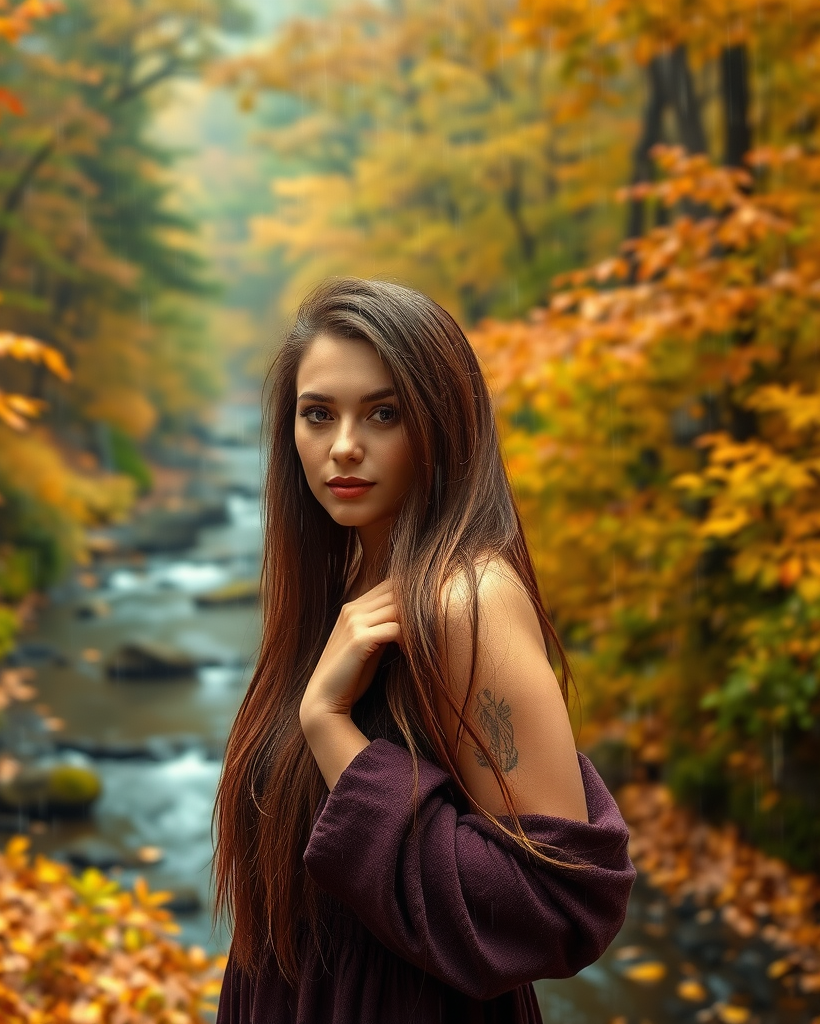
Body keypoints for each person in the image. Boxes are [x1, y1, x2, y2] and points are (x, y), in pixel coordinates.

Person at [212, 278, 635, 1023]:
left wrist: (330, 727)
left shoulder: (463, 599)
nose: (343, 446)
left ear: (440, 422)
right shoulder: (343, 588)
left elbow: (556, 903)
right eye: (318, 415)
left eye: (384, 413)